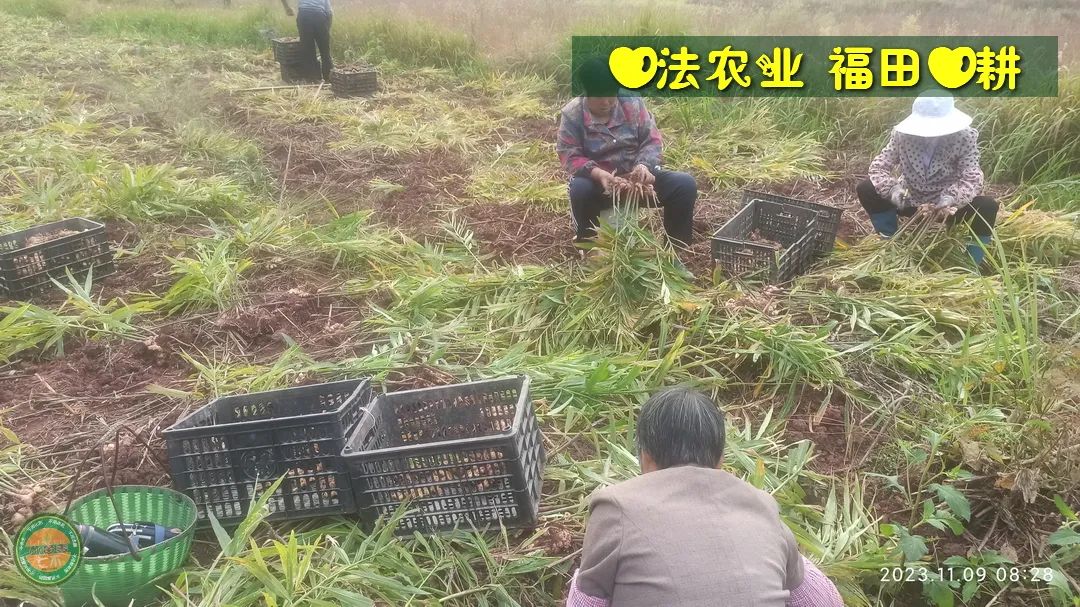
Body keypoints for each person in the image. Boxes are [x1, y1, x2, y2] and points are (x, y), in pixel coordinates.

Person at [567, 387, 843, 607]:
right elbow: (821, 600)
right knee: (796, 566)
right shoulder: (762, 505)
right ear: (721, 459)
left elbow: (588, 597)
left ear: (645, 457)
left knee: (587, 580)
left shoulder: (615, 505)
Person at [556, 57, 697, 250]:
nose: (606, 102)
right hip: (600, 184)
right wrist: (599, 174)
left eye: (610, 95)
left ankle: (675, 252)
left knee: (684, 185)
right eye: (599, 97)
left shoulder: (631, 102)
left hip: (637, 182)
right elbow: (569, 154)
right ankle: (589, 248)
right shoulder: (573, 115)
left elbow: (652, 139)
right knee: (580, 189)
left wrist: (643, 166)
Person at [857, 92, 999, 267]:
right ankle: (889, 241)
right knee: (866, 188)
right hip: (909, 200)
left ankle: (970, 265)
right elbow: (879, 166)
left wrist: (951, 197)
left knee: (987, 206)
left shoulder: (964, 138)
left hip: (948, 206)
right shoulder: (902, 135)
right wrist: (893, 190)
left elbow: (972, 177)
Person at [281, 0, 333, 82]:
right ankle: (329, 77)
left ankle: (313, 78)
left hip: (304, 16)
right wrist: (327, 30)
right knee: (325, 51)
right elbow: (329, 12)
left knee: (308, 50)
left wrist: (287, 8)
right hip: (320, 16)